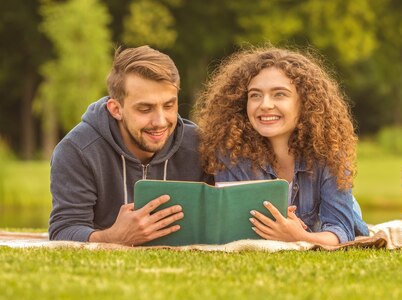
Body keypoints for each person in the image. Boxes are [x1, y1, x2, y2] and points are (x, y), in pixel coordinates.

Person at [194, 46, 369, 245]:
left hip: (322, 227)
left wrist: (300, 237)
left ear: (305, 102)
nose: (265, 104)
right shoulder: (231, 153)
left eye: (279, 94)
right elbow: (234, 228)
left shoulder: (329, 153)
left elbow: (341, 231)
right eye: (255, 95)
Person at [49, 45, 211, 245]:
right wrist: (113, 238)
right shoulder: (77, 150)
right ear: (116, 109)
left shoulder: (200, 146)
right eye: (145, 109)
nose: (160, 121)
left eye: (169, 105)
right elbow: (64, 230)